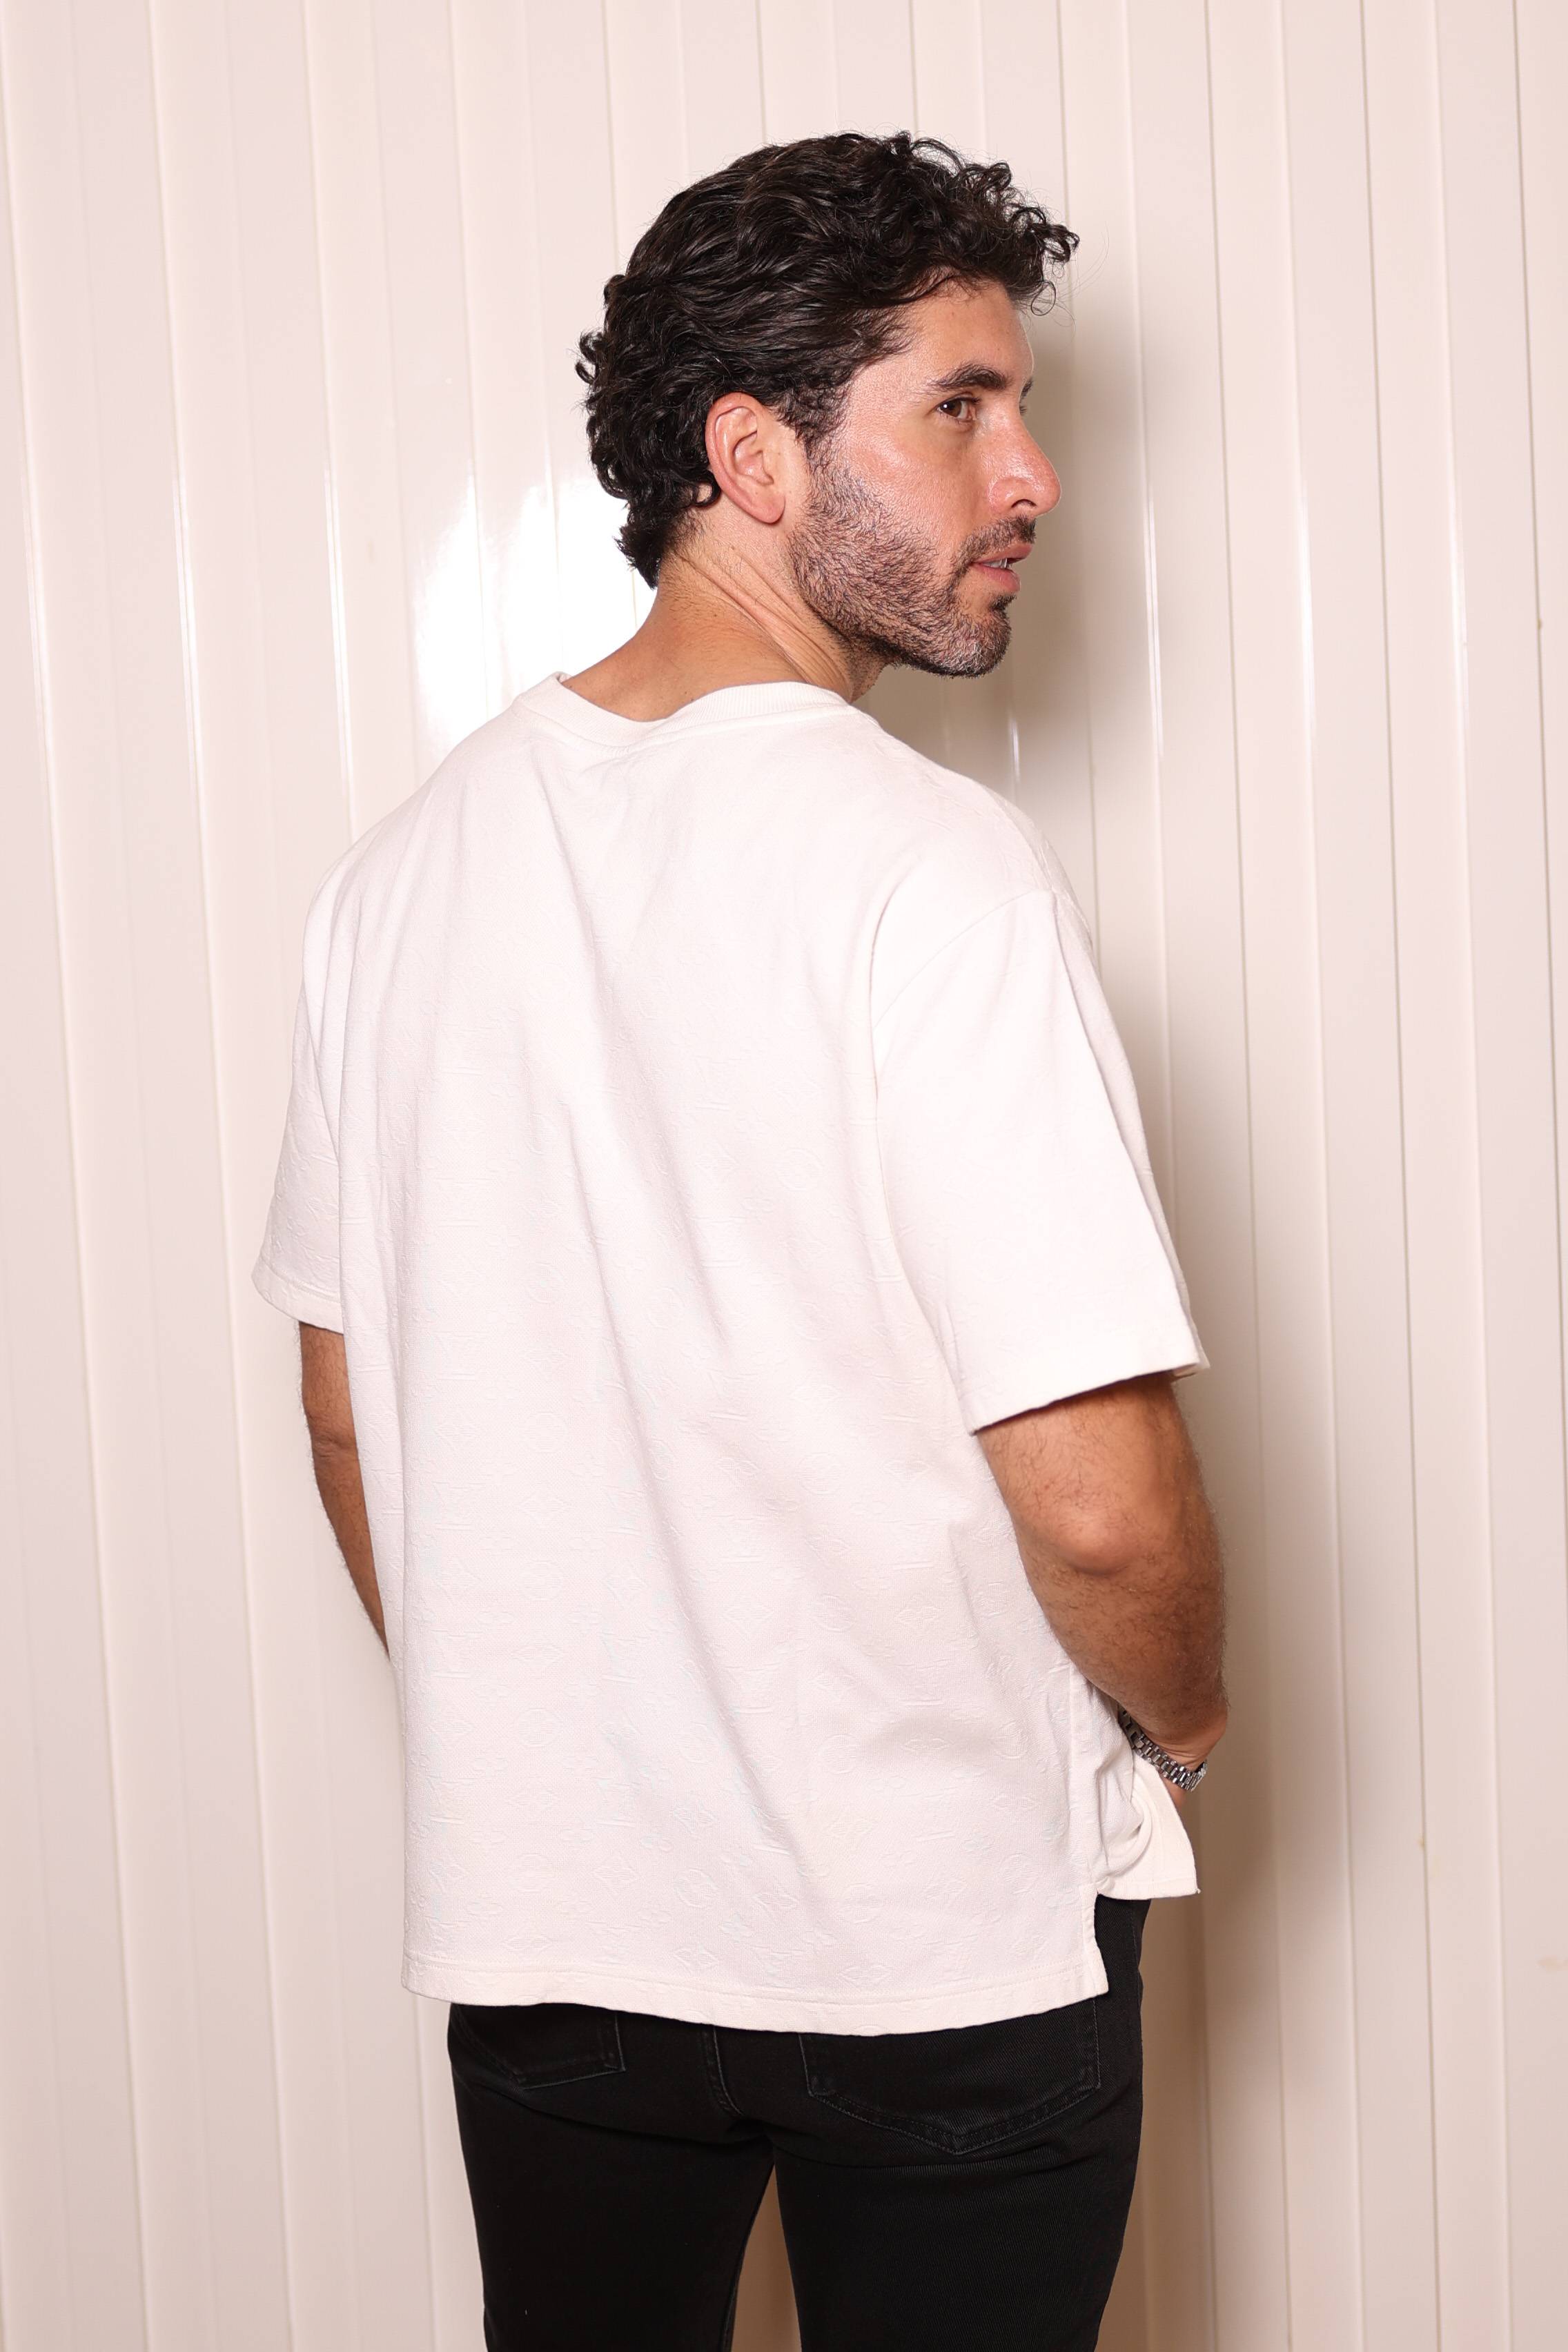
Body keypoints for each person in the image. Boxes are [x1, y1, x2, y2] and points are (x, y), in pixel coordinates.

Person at [254, 130, 1228, 2352]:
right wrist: (1183, 1726)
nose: (1033, 475)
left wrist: (552, 1733)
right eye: (961, 406)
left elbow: (347, 1410)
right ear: (753, 458)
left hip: (557, 1946)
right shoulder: (930, 875)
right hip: (946, 1948)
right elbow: (1096, 1499)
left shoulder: (398, 881)